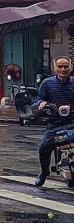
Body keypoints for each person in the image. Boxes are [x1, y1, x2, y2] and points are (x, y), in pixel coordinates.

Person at [33, 56, 74, 187]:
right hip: (54, 123)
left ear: (70, 68)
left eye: (66, 66)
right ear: (54, 68)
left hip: (72, 122)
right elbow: (39, 99)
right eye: (60, 66)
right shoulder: (47, 83)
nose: (63, 69)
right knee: (44, 147)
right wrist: (42, 103)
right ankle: (44, 172)